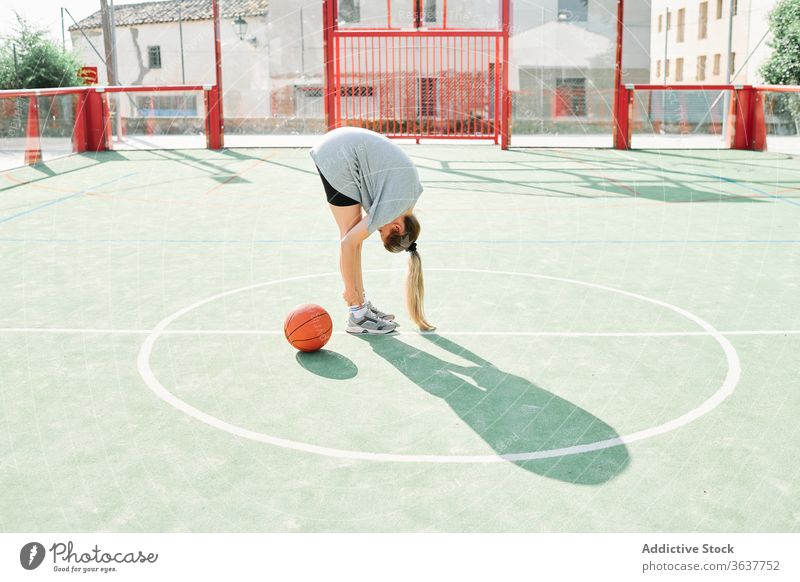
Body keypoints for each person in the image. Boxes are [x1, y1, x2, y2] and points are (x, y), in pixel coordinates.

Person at [310, 127, 434, 334]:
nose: (378, 228)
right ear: (397, 227)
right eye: (380, 232)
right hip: (338, 153)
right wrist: (350, 292)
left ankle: (361, 305)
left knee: (354, 236)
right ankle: (357, 314)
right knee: (350, 236)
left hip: (341, 146)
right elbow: (348, 243)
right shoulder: (393, 208)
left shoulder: (408, 200)